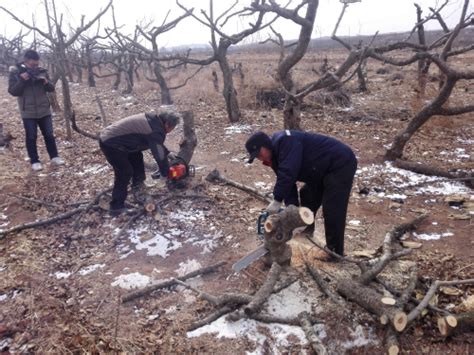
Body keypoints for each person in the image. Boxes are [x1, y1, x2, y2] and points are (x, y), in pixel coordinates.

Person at [245, 130, 357, 260]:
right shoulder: (275, 156)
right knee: (307, 194)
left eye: (259, 154)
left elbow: (288, 172)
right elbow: (288, 183)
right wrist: (292, 210)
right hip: (321, 170)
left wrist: (277, 199)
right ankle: (307, 232)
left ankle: (335, 253)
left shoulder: (285, 142)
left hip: (340, 163)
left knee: (332, 208)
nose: (260, 158)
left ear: (265, 145)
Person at [99, 108, 180, 216]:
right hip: (111, 143)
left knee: (137, 157)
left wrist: (168, 153)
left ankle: (138, 186)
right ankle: (116, 207)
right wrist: (165, 173)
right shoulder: (156, 130)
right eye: (173, 128)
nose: (172, 130)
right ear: (167, 124)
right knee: (125, 172)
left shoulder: (153, 121)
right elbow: (159, 155)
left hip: (123, 142)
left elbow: (157, 144)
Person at [8, 49, 64, 171]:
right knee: (31, 136)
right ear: (26, 61)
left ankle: (54, 157)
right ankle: (34, 161)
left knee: (49, 134)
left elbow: (51, 88)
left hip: (44, 109)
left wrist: (46, 82)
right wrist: (22, 80)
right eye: (32, 65)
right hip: (28, 111)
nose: (35, 67)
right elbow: (13, 91)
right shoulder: (16, 73)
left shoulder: (42, 71)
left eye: (37, 64)